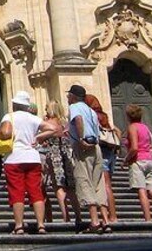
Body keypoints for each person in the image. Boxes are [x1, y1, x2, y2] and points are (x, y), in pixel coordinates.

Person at [0, 90, 59, 235]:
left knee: (17, 192)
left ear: (14, 104)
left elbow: (6, 133)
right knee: (36, 192)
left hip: (14, 158)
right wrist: (38, 138)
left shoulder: (9, 116)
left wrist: (2, 135)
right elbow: (53, 128)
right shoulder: (33, 118)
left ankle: (19, 226)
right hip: (33, 158)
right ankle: (40, 225)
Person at [67, 84, 108, 234]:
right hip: (96, 147)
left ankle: (94, 222)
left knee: (84, 180)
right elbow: (97, 129)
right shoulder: (91, 110)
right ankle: (105, 220)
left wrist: (81, 138)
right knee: (98, 183)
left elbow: (78, 119)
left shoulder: (75, 107)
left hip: (83, 146)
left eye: (69, 95)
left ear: (73, 96)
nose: (67, 97)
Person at [123, 104, 152, 222]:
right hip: (149, 160)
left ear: (128, 116)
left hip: (138, 161)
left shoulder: (132, 127)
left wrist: (126, 159)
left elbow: (135, 147)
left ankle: (148, 219)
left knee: (142, 191)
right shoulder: (145, 127)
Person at [86, 93, 122, 226]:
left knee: (105, 185)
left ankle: (111, 216)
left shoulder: (93, 116)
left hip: (101, 151)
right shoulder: (104, 116)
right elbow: (116, 131)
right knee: (107, 184)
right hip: (110, 153)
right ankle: (111, 215)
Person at [41, 100, 79, 224]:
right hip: (67, 154)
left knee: (59, 187)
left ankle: (66, 217)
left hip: (54, 156)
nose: (45, 110)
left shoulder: (47, 123)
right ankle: (78, 216)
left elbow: (41, 140)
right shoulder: (64, 123)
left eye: (47, 108)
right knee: (71, 188)